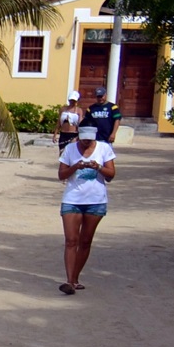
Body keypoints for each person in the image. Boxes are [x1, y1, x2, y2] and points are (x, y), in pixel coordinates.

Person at [57, 125, 116, 295]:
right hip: (72, 199)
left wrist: (98, 167)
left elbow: (111, 175)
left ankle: (75, 278)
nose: (86, 143)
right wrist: (76, 167)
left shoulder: (104, 149)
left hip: (95, 201)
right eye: (83, 140)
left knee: (85, 241)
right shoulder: (69, 149)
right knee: (71, 240)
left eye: (89, 141)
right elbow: (61, 175)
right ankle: (69, 281)